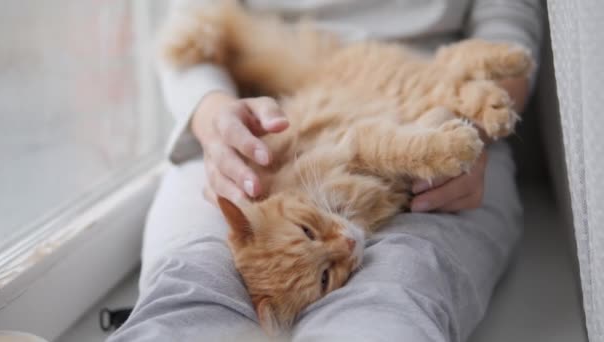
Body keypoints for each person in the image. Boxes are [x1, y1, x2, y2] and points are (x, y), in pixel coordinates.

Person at [108, 1, 543, 341]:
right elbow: (190, 25)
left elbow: (510, 25)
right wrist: (215, 115)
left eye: (316, 240)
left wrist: (468, 121)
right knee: (192, 286)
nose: (343, 245)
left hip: (438, 104)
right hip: (258, 114)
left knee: (390, 294)